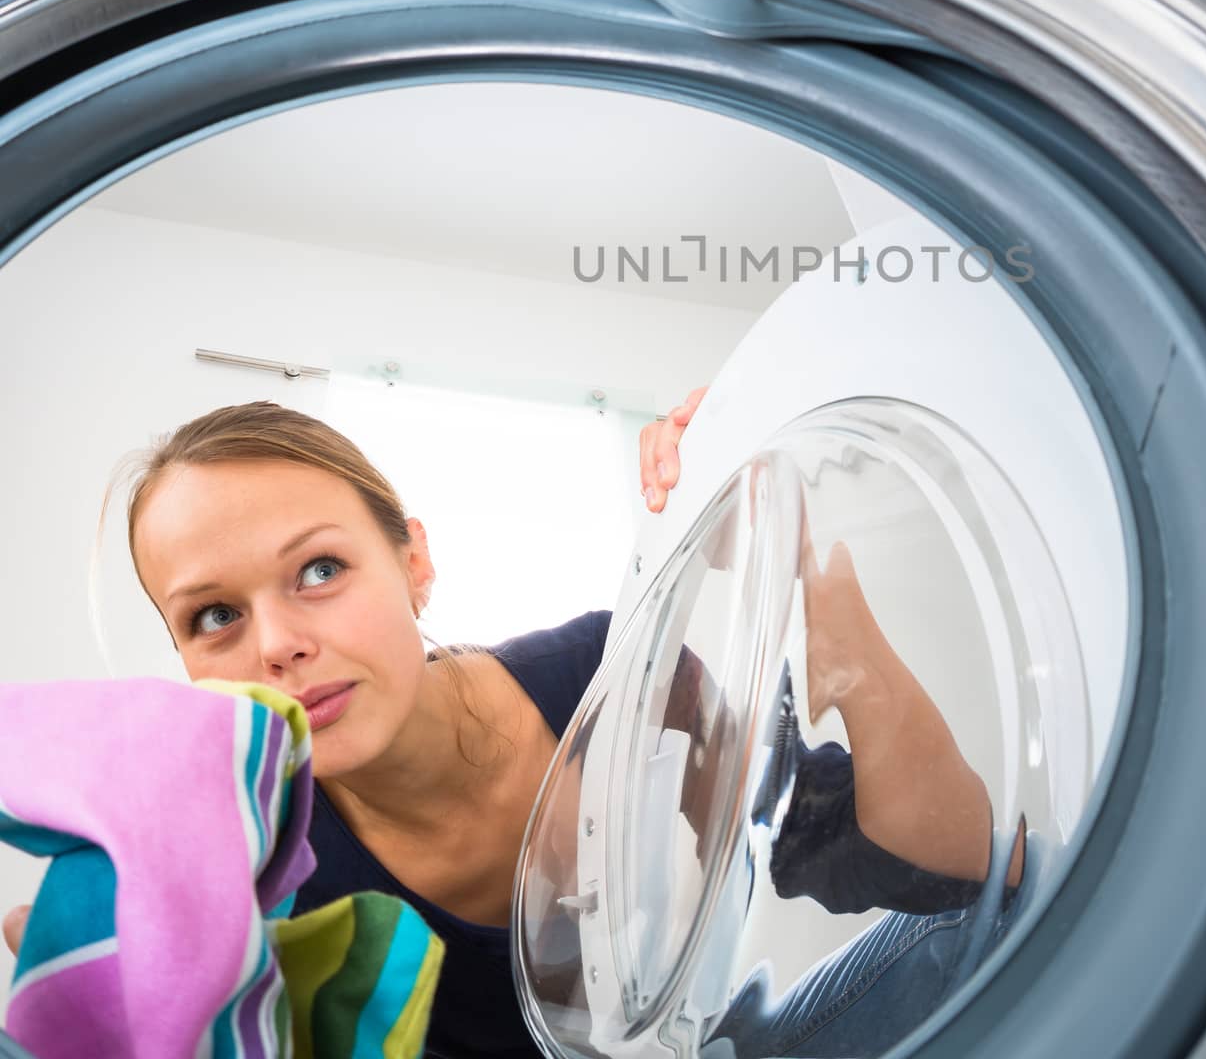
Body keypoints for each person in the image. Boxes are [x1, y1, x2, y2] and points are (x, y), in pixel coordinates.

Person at [3, 398, 1026, 1057]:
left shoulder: (610, 670)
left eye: (319, 569)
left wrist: (815, 576)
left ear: (413, 563)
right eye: (212, 616)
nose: (274, 643)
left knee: (1012, 921)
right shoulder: (252, 858)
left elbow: (943, 872)